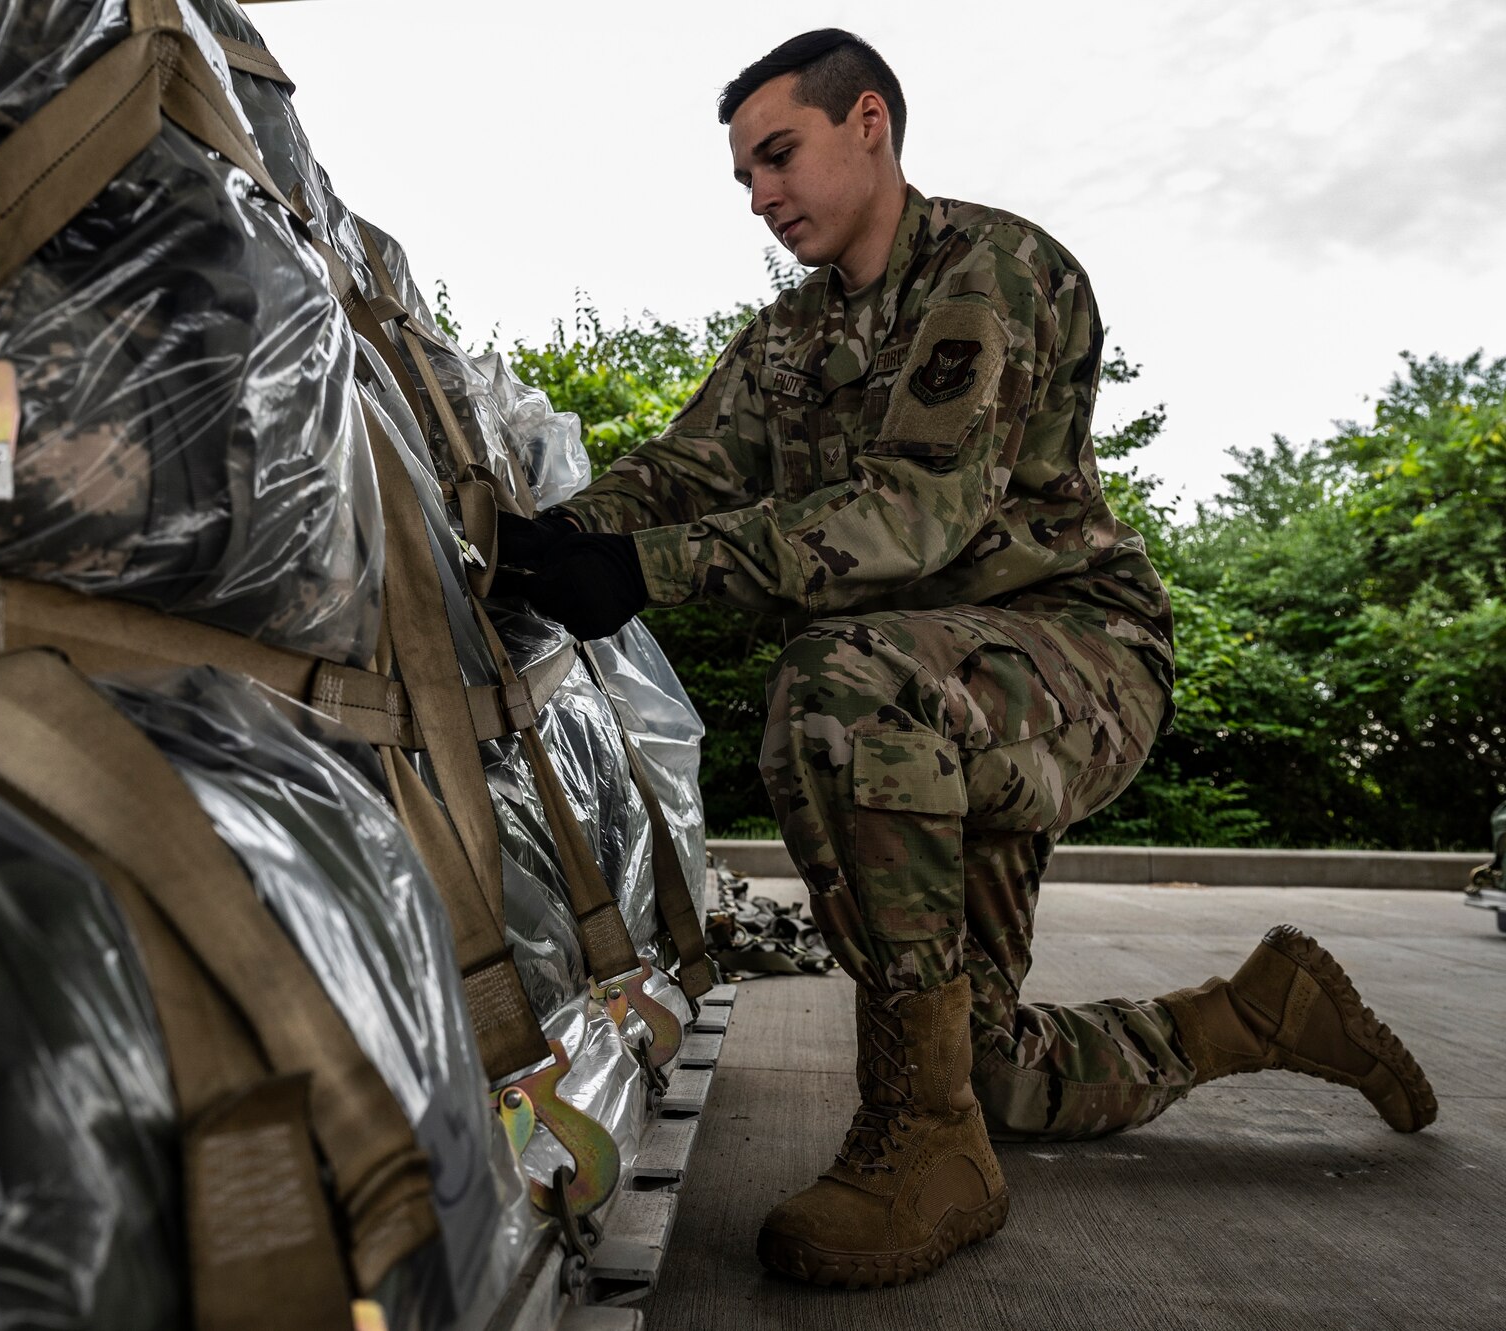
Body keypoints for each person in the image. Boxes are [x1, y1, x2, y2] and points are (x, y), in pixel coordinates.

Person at [491, 28, 1437, 1291]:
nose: (761, 196)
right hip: (932, 691)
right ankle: (1251, 1014)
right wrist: (551, 535)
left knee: (829, 688)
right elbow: (685, 470)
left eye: (778, 156)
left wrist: (645, 573)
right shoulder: (788, 337)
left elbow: (911, 517)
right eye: (742, 177)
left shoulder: (989, 273)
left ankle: (924, 1147)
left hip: (1069, 659)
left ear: (868, 121)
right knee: (991, 1067)